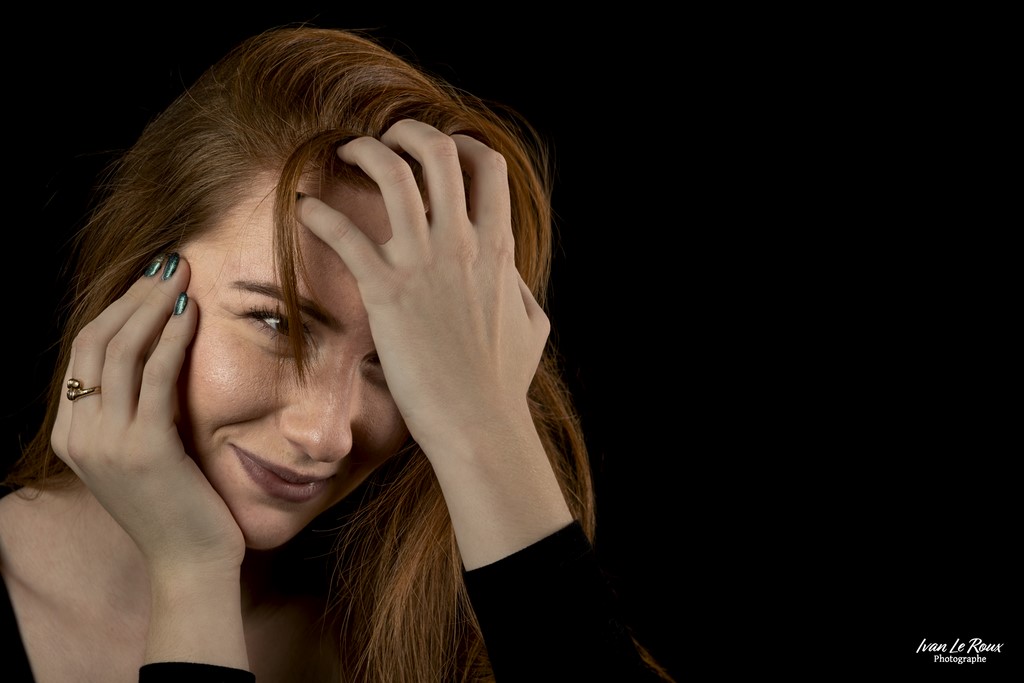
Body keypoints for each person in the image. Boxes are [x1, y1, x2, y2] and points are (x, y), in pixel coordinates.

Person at [0, 25, 675, 682]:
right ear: (137, 278)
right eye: (275, 322)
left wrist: (487, 423)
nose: (324, 434)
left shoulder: (435, 639)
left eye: (401, 359)